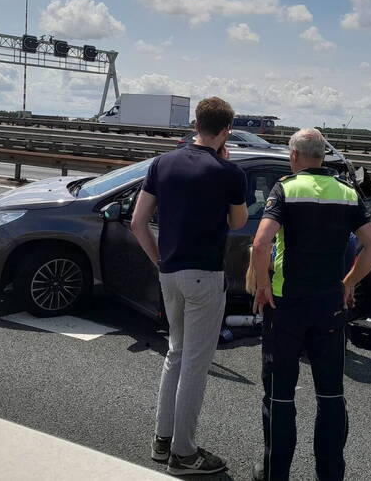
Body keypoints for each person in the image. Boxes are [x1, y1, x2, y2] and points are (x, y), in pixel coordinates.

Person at [250, 128, 371, 481]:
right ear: (322, 157)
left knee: (280, 398)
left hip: (286, 306)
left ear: (294, 156)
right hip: (330, 306)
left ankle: (275, 473)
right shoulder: (346, 192)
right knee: (330, 396)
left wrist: (263, 286)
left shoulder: (285, 188)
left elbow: (261, 244)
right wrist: (349, 283)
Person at [131, 96, 248, 476]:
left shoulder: (162, 163)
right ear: (226, 129)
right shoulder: (228, 173)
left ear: (195, 123)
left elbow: (138, 222)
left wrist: (159, 260)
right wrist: (226, 168)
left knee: (175, 355)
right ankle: (184, 453)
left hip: (170, 273)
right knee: (196, 364)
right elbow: (238, 222)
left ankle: (162, 440)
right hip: (205, 276)